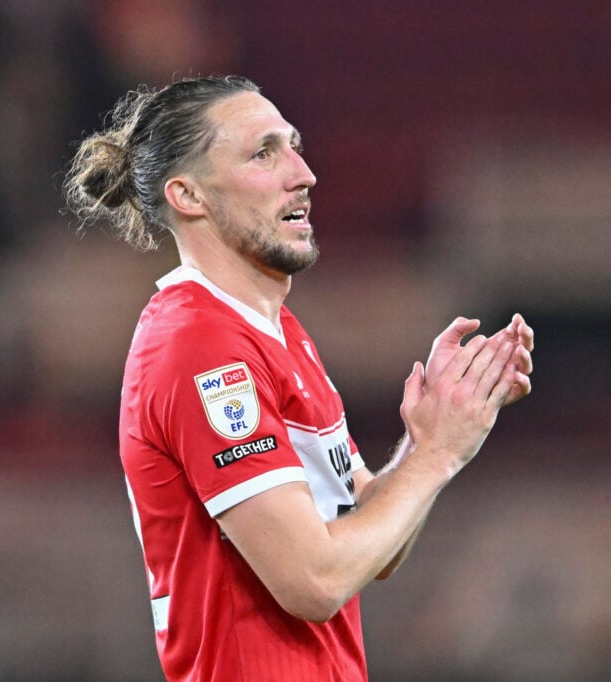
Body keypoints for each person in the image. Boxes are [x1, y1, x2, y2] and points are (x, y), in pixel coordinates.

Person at [64, 75, 533, 681]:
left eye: (294, 147)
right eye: (264, 154)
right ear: (188, 194)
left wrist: (434, 432)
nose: (303, 174)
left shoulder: (277, 333)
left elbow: (370, 546)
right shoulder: (201, 346)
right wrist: (437, 454)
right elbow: (314, 581)